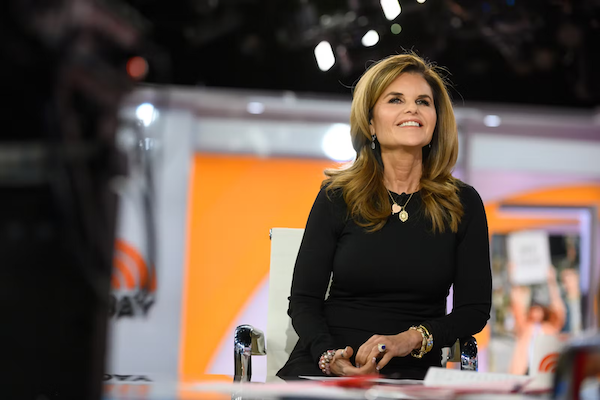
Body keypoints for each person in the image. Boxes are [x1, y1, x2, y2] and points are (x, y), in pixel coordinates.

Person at [276, 53, 492, 380]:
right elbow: (304, 300)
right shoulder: (338, 195)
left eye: (423, 101)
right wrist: (329, 356)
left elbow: (473, 310)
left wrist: (412, 338)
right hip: (327, 369)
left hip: (411, 372)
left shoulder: (463, 204)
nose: (412, 109)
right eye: (395, 100)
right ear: (371, 123)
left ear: (436, 121)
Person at [508, 266, 566, 375]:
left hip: (544, 369)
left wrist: (552, 282)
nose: (535, 312)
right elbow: (517, 305)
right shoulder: (526, 325)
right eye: (533, 308)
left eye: (539, 309)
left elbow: (559, 309)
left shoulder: (551, 327)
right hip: (525, 369)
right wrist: (514, 278)